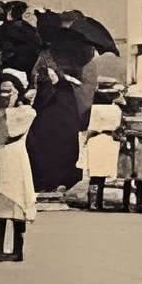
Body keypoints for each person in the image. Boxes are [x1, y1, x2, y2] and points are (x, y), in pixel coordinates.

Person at [0, 76, 37, 261]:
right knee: (1, 203)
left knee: (17, 203)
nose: (4, 96)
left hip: (15, 161)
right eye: (2, 91)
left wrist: (5, 111)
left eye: (9, 91)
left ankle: (18, 249)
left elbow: (9, 133)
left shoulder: (26, 112)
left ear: (17, 92)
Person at [27, 61, 83, 195]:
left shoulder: (56, 90)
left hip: (52, 130)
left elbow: (40, 102)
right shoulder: (65, 89)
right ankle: (59, 182)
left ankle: (50, 183)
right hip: (59, 131)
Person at [82, 77, 123, 211]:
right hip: (108, 139)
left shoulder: (91, 109)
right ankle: (98, 201)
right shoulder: (116, 110)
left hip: (94, 139)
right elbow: (117, 125)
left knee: (95, 173)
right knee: (102, 174)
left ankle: (93, 201)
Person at [119, 91, 142, 212]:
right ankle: (125, 204)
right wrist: (124, 136)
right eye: (133, 101)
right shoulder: (123, 114)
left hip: (141, 148)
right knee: (127, 179)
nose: (136, 104)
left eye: (138, 101)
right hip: (128, 148)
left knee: (139, 180)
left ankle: (139, 205)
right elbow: (118, 130)